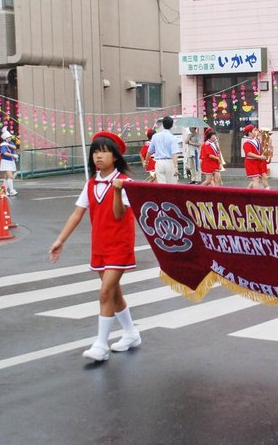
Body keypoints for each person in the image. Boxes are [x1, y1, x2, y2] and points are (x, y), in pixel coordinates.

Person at [49, 131, 142, 362]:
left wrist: (118, 191)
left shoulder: (125, 183)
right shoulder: (91, 184)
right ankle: (131, 333)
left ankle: (101, 345)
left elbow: (119, 214)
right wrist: (60, 240)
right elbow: (77, 214)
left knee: (105, 292)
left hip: (120, 245)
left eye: (105, 151)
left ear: (115, 156)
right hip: (99, 245)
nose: (99, 156)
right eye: (95, 152)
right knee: (114, 293)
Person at [146, 116, 180, 184]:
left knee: (162, 186)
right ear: (172, 125)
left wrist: (146, 161)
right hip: (170, 162)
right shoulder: (173, 138)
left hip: (159, 162)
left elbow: (149, 151)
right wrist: (176, 167)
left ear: (163, 124)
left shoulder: (155, 136)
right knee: (172, 185)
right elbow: (174, 154)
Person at [242, 124, 266, 189]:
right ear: (250, 132)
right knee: (256, 179)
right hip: (251, 163)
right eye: (254, 130)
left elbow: (260, 150)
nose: (256, 131)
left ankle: (247, 191)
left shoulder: (256, 140)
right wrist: (260, 157)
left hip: (257, 162)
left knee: (257, 179)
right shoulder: (247, 142)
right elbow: (249, 153)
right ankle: (256, 196)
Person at [0, 130, 19, 196]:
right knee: (10, 176)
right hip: (5, 161)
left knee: (6, 177)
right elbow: (5, 153)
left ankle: (3, 190)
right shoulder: (2, 145)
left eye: (10, 137)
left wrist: (8, 144)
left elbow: (15, 147)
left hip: (11, 161)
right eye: (9, 137)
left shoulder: (10, 143)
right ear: (6, 138)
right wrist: (13, 155)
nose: (10, 138)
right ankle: (12, 190)